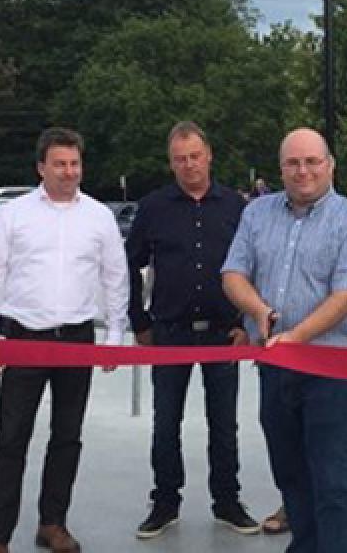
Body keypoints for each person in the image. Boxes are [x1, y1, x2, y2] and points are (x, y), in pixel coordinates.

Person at [222, 127, 347, 553]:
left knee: (331, 478)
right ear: (281, 169)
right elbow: (233, 272)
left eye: (312, 161)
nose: (303, 170)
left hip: (331, 371)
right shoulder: (256, 214)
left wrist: (297, 335)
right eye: (293, 163)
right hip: (275, 367)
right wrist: (257, 311)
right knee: (289, 472)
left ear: (330, 166)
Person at [0, 128, 129, 553]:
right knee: (11, 438)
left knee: (67, 436)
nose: (68, 172)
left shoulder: (98, 216)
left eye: (75, 164)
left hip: (77, 339)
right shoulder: (13, 214)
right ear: (41, 167)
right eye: (59, 164)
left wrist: (115, 335)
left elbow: (116, 278)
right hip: (22, 336)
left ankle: (53, 523)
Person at [126, 121, 257, 539]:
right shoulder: (153, 208)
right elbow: (129, 266)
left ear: (209, 155)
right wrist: (139, 320)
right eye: (180, 159)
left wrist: (246, 323)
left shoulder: (236, 207)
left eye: (195, 156)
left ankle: (228, 500)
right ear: (171, 163)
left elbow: (254, 267)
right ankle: (165, 502)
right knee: (166, 422)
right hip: (170, 332)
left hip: (224, 332)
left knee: (224, 423)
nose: (189, 165)